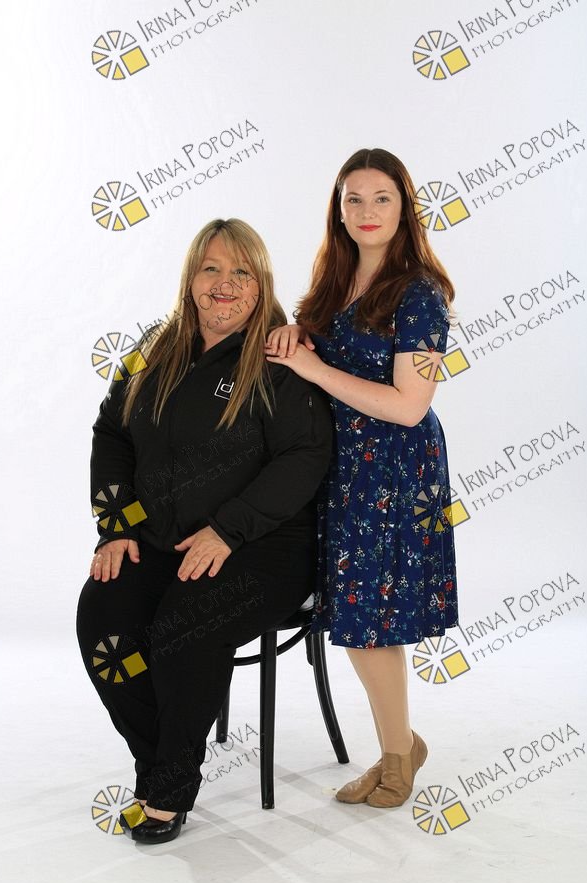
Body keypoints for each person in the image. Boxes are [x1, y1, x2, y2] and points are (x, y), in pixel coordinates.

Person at [76, 219, 333, 844]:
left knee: (184, 626)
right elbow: (111, 433)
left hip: (264, 546)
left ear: (261, 282)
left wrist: (228, 529)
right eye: (211, 268)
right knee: (104, 620)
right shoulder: (154, 349)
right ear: (191, 278)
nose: (225, 284)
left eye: (241, 271)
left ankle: (166, 790)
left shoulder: (279, 357)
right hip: (161, 540)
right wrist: (116, 524)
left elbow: (304, 457)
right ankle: (160, 763)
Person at [265, 148, 459, 808]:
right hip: (342, 468)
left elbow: (410, 406)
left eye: (382, 198)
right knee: (355, 618)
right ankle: (399, 745)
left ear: (404, 208)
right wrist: (297, 339)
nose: (367, 211)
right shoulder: (333, 282)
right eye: (354, 199)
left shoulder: (419, 294)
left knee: (372, 620)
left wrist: (314, 369)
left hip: (395, 472)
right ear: (339, 210)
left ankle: (397, 756)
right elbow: (325, 353)